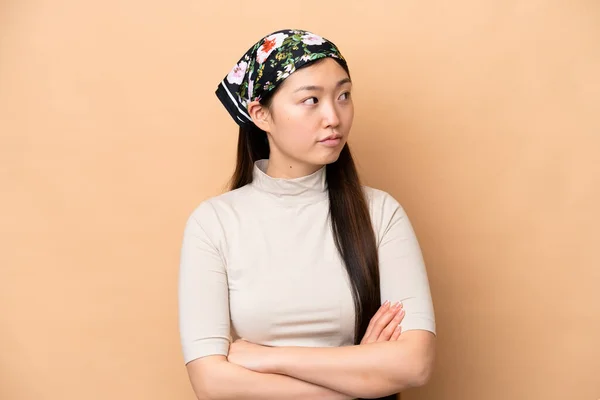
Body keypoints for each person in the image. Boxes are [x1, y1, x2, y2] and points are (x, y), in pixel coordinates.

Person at [178, 29, 436, 400]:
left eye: (343, 96)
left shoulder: (381, 213)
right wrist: (363, 370)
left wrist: (270, 358)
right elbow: (211, 384)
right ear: (261, 114)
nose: (334, 116)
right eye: (311, 100)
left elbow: (415, 364)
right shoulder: (214, 223)